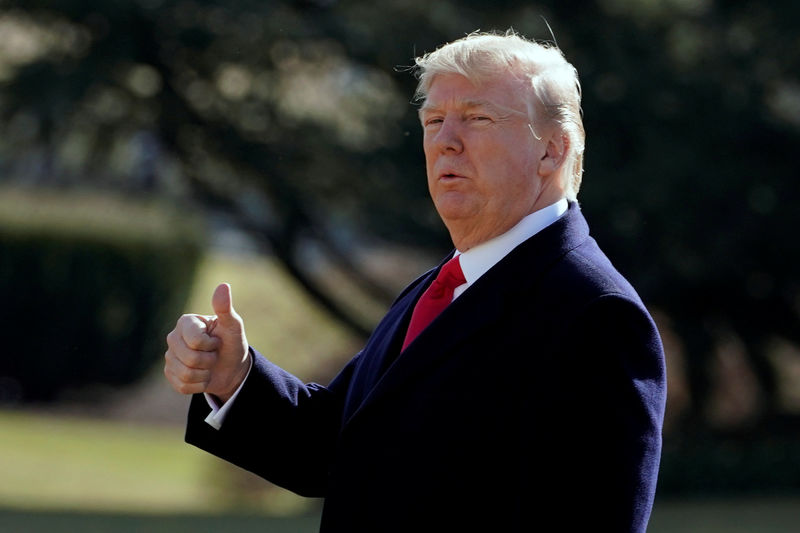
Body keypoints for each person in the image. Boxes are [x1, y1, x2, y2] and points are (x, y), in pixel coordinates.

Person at [165, 30, 666, 532]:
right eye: (433, 120)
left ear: (552, 152)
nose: (446, 141)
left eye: (477, 118)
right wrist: (233, 378)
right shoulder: (441, 287)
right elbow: (336, 448)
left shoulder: (596, 315)